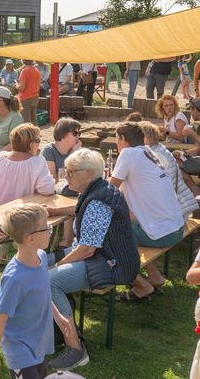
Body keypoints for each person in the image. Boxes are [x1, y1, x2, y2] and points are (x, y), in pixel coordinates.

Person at [46, 148, 139, 371]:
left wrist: (58, 265)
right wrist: (54, 210)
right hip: (102, 257)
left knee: (50, 280)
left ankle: (75, 349)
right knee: (36, 261)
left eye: (71, 172)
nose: (66, 176)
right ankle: (55, 330)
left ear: (88, 174)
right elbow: (81, 209)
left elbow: (87, 249)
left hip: (111, 264)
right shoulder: (98, 189)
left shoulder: (99, 200)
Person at [0, 204, 69, 379]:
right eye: (47, 228)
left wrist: (58, 316)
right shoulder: (15, 279)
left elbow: (44, 293)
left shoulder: (41, 258)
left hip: (39, 344)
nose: (50, 232)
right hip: (20, 351)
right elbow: (0, 321)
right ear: (31, 239)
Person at [109, 122, 184, 301]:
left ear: (123, 140)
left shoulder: (128, 154)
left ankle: (141, 286)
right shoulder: (148, 151)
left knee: (108, 235)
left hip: (162, 232)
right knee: (124, 224)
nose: (116, 144)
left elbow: (109, 190)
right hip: (175, 228)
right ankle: (155, 276)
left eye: (116, 140)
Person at [0, 124, 55, 264]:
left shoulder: (0, 157)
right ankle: (33, 262)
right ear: (30, 144)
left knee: (10, 204)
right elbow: (48, 189)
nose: (39, 144)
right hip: (14, 223)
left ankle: (1, 256)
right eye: (38, 141)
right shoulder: (37, 161)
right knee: (35, 218)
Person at [140, 121, 199, 219]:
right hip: (180, 204)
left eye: (139, 136)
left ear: (147, 137)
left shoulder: (157, 155)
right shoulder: (158, 148)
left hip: (179, 209)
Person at [41, 117, 82, 246]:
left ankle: (68, 241)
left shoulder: (76, 150)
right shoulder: (49, 150)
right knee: (72, 203)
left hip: (69, 191)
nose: (78, 137)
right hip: (50, 194)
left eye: (79, 133)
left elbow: (81, 177)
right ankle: (66, 242)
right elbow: (53, 179)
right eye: (75, 133)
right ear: (63, 134)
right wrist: (73, 156)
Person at [17, 60, 41, 125]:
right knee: (34, 119)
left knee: (26, 121)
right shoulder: (36, 70)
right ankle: (36, 134)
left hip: (25, 98)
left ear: (23, 61)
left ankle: (29, 135)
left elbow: (21, 88)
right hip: (35, 97)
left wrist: (16, 86)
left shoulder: (24, 71)